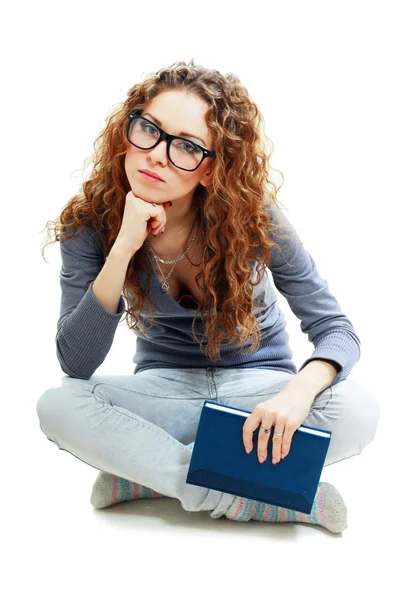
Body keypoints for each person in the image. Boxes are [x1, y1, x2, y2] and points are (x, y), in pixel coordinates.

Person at [36, 59, 380, 535]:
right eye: (149, 130)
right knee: (59, 404)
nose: (157, 154)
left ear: (212, 168)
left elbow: (337, 331)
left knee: (358, 408)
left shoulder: (255, 218)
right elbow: (77, 362)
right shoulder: (90, 224)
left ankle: (148, 478)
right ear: (125, 131)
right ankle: (270, 498)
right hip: (166, 392)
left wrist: (297, 396)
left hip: (257, 395)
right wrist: (124, 245)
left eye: (187, 147)